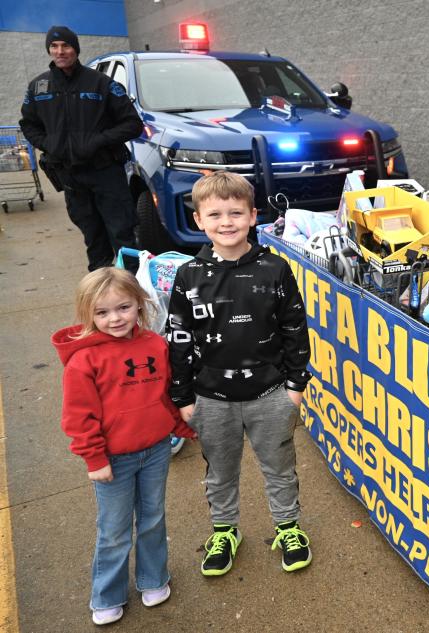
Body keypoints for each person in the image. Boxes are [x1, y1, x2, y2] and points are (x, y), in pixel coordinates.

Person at [166, 171, 312, 576]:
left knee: (279, 467)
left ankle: (288, 526)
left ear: (252, 216)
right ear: (199, 221)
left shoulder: (275, 269)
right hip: (210, 398)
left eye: (235, 212)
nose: (226, 222)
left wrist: (295, 386)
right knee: (220, 472)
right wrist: (182, 397)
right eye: (214, 214)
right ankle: (225, 531)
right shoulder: (188, 276)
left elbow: (294, 329)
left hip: (270, 394)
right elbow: (177, 338)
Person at [52, 267, 195, 626]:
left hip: (157, 449)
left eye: (123, 308)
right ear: (88, 314)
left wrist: (179, 427)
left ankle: (152, 578)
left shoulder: (155, 345)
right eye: (102, 312)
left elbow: (164, 395)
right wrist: (94, 457)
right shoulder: (84, 361)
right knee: (114, 529)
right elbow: (78, 417)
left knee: (152, 518)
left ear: (139, 305)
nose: (115, 318)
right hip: (113, 459)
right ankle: (107, 594)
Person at [20, 26, 143, 271]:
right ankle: (100, 288)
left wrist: (98, 141)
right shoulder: (38, 87)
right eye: (54, 47)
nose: (60, 51)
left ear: (76, 49)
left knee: (122, 234)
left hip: (106, 172)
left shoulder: (100, 83)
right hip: (70, 175)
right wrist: (49, 145)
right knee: (92, 235)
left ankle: (132, 286)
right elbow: (28, 124)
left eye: (66, 46)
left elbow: (132, 124)